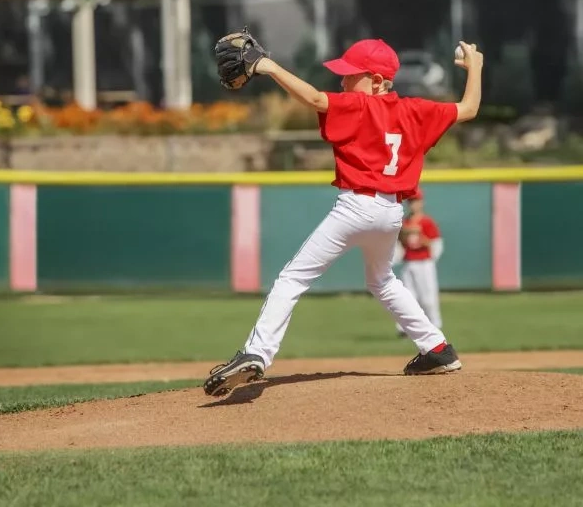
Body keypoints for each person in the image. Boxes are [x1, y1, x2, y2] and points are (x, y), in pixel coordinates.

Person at [204, 37, 484, 396]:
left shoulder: (360, 106)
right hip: (390, 213)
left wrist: (269, 67)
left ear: (377, 82)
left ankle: (257, 354)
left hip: (355, 208)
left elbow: (315, 99)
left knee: (292, 278)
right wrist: (474, 67)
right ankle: (437, 349)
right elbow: (469, 108)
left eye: (351, 75)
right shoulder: (417, 110)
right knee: (382, 280)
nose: (342, 82)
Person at [392, 187, 444, 335]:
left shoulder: (427, 222)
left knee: (428, 297)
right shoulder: (405, 222)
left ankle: (436, 325)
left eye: (416, 201)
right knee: (408, 297)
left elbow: (436, 245)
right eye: (411, 201)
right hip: (409, 263)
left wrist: (421, 237)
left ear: (422, 202)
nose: (413, 204)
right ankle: (405, 328)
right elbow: (400, 245)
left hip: (424, 263)